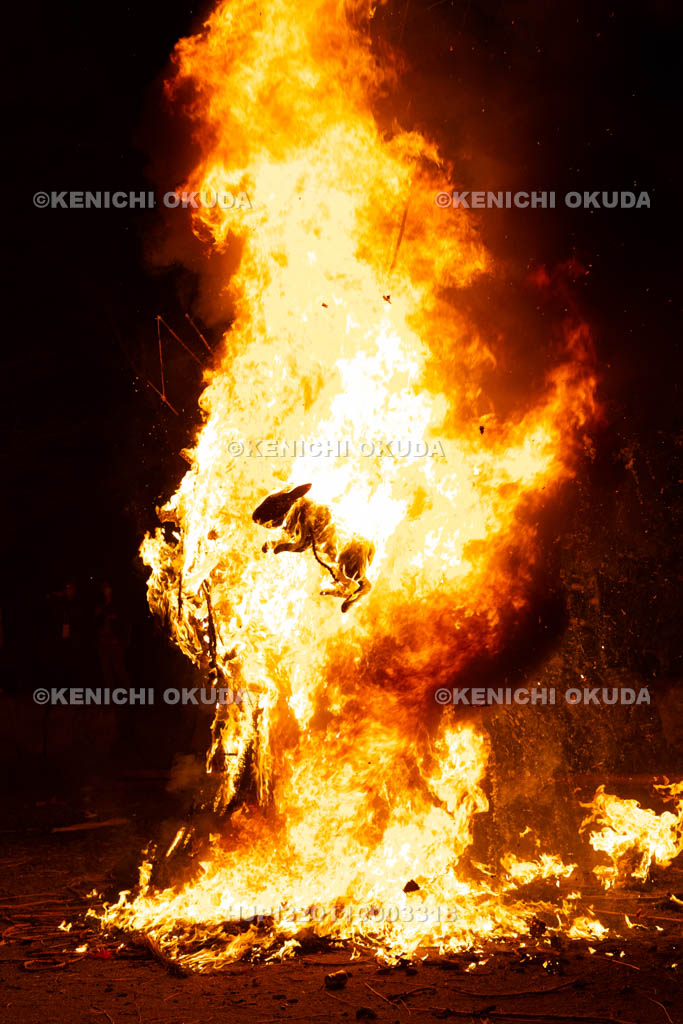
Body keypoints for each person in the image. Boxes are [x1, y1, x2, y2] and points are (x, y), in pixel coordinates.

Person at [253, 484, 375, 612]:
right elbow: (296, 539)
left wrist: (282, 547)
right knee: (339, 568)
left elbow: (301, 545)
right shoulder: (295, 514)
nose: (273, 527)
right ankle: (346, 589)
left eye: (271, 524)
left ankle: (363, 586)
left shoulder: (308, 513)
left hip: (357, 547)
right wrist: (274, 544)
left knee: (348, 568)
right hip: (336, 550)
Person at [93, 582, 131, 688]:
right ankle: (112, 698)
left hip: (115, 642)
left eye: (108, 587)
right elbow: (95, 622)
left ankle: (129, 696)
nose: (106, 590)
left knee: (119, 669)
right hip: (102, 641)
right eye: (104, 588)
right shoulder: (100, 604)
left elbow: (124, 622)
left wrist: (123, 639)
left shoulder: (118, 604)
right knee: (106, 671)